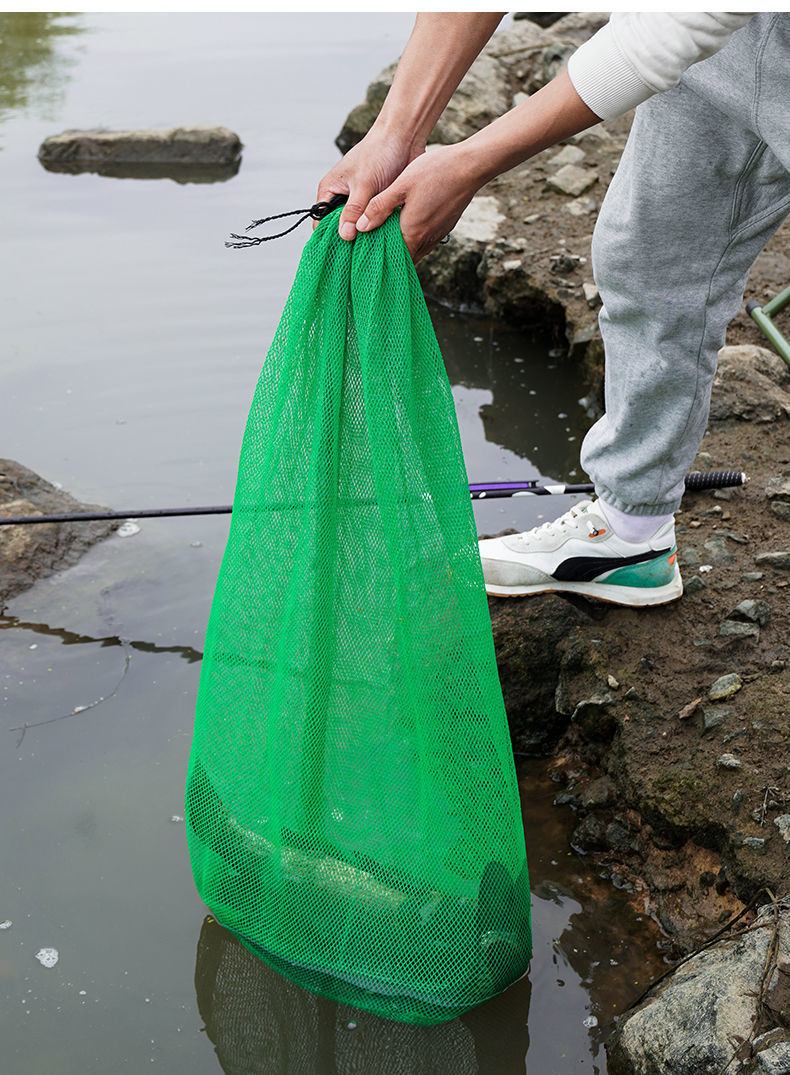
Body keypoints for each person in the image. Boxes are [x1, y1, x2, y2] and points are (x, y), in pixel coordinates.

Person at [316, 12, 789, 607]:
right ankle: (631, 535)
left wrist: (466, 165)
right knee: (647, 257)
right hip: (731, 40)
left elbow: (665, 31)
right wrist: (394, 132)